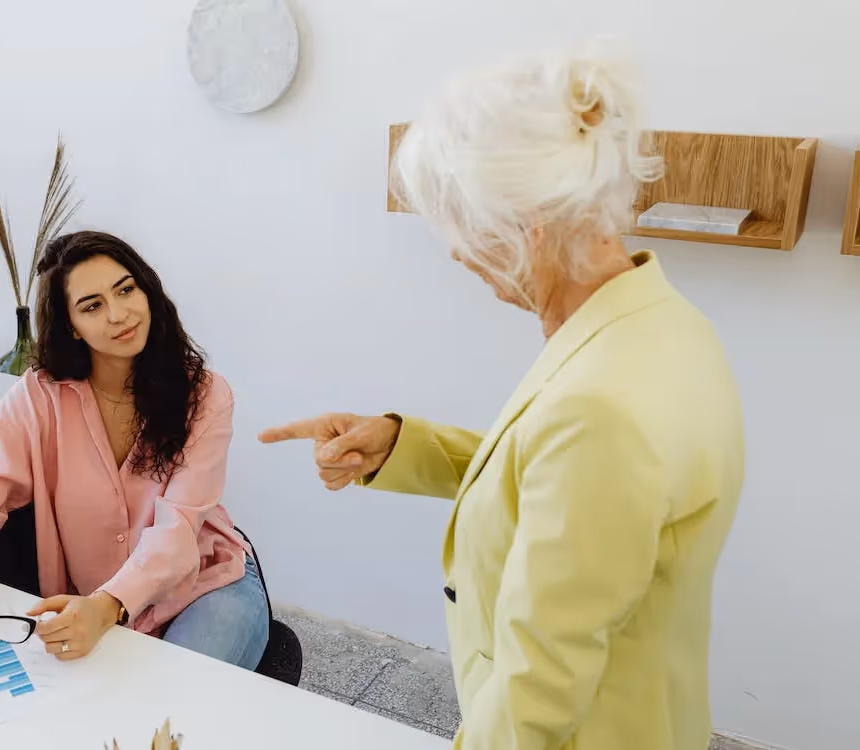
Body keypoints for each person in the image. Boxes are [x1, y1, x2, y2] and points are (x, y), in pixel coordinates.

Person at [260, 41, 744, 750]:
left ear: (528, 230)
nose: (456, 254)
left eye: (459, 230)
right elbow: (558, 480)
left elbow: (538, 688)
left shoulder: (599, 408)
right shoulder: (660, 322)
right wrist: (402, 444)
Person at [0, 230, 269, 670]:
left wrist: (106, 606)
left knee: (172, 711)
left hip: (204, 585)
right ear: (71, 326)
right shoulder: (37, 399)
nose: (119, 315)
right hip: (89, 603)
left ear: (146, 290)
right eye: (92, 306)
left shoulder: (206, 395)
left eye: (125, 290)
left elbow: (177, 536)